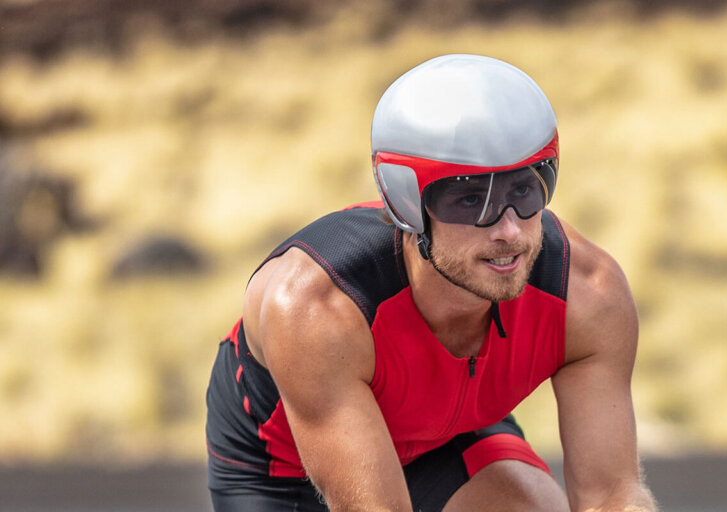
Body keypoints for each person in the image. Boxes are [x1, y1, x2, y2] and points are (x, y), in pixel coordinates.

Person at [205, 54, 657, 511]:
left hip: (443, 437)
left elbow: (610, 494)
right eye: (470, 200)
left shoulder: (588, 292)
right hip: (280, 471)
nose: (509, 231)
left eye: (523, 190)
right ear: (407, 207)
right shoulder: (317, 307)